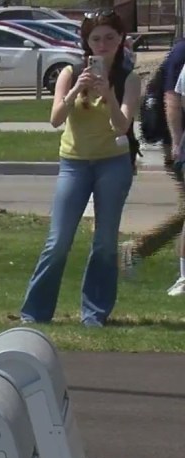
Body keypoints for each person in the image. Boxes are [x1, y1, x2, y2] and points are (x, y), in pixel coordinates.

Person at [19, 10, 140, 328]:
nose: (102, 46)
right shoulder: (70, 73)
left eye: (110, 38)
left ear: (120, 40)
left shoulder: (129, 78)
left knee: (104, 240)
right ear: (86, 42)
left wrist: (109, 97)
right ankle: (35, 313)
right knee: (58, 240)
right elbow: (56, 119)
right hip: (74, 163)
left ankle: (94, 313)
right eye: (96, 39)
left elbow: (121, 125)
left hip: (113, 163)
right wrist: (76, 90)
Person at [120, 36, 185, 298]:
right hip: (178, 142)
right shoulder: (182, 50)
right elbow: (172, 97)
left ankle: (136, 252)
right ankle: (135, 251)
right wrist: (177, 143)